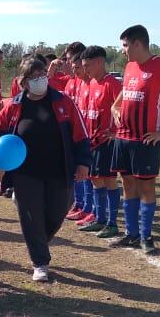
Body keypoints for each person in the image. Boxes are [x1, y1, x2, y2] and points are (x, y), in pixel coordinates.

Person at [0, 57, 90, 282]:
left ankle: (38, 240)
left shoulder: (64, 102)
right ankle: (40, 262)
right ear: (24, 82)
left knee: (59, 209)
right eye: (34, 77)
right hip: (25, 172)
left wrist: (83, 162)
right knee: (31, 214)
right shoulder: (14, 105)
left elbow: (81, 135)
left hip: (59, 169)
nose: (40, 80)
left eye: (42, 75)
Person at [110, 25, 160, 253]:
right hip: (123, 138)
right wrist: (115, 108)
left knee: (147, 188)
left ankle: (146, 236)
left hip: (146, 140)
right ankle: (130, 233)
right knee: (127, 185)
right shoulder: (130, 66)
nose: (123, 50)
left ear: (137, 44)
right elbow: (122, 96)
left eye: (125, 45)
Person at [78, 46, 124, 240]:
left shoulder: (112, 83)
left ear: (99, 62)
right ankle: (99, 217)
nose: (85, 70)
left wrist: (116, 132)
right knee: (95, 179)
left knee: (109, 180)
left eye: (88, 65)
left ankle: (112, 223)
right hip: (92, 141)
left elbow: (123, 109)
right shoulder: (90, 84)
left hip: (107, 141)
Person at [63, 49, 95, 222]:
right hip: (78, 135)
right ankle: (81, 204)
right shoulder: (78, 83)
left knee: (91, 176)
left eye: (78, 66)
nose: (73, 69)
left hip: (93, 138)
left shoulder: (93, 83)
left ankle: (89, 208)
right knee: (81, 173)